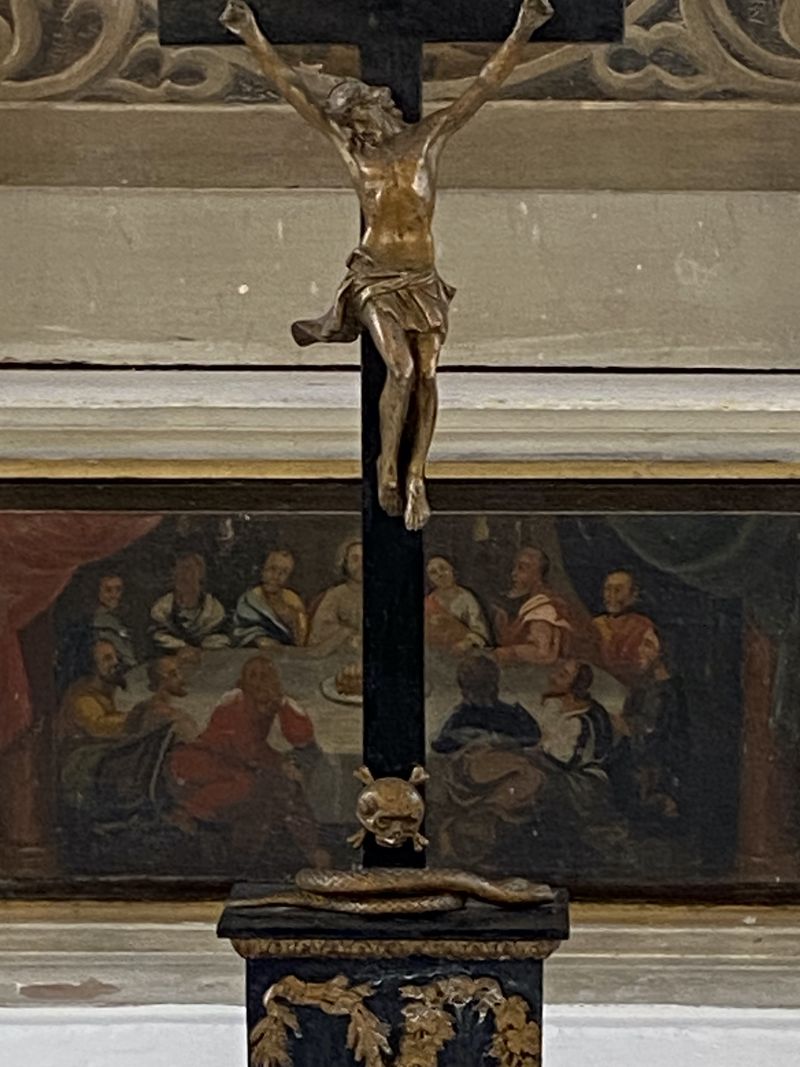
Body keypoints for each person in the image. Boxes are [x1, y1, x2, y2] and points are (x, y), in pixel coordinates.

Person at [220, 0, 555, 530]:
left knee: (427, 373)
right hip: (374, 277)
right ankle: (386, 467)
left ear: (376, 107)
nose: (354, 128)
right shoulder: (358, 157)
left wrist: (524, 28)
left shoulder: (427, 139)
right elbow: (292, 90)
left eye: (356, 117)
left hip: (422, 278)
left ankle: (417, 473)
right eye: (348, 123)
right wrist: (250, 33)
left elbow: (484, 84)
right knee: (400, 368)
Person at [168, 656, 326, 866]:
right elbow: (244, 748)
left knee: (278, 788)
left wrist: (283, 704)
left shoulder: (272, 703)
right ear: (243, 681)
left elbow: (302, 738)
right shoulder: (234, 701)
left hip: (236, 764)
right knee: (253, 787)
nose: (260, 682)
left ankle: (308, 850)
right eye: (253, 676)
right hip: (204, 761)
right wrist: (280, 763)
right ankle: (192, 816)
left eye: (266, 676)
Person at [432, 653, 544, 864]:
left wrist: (495, 741)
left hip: (502, 779)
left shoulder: (478, 715)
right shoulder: (471, 716)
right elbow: (442, 745)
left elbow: (532, 737)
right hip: (480, 781)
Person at [619, 627, 690, 829]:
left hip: (657, 765)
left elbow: (653, 729)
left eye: (648, 645)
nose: (640, 649)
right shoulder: (645, 685)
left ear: (662, 652)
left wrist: (623, 725)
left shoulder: (668, 691)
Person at [493, 547, 574, 665]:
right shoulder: (523, 606)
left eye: (522, 568)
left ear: (537, 577)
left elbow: (543, 653)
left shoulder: (544, 610)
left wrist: (509, 652)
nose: (513, 573)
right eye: (514, 567)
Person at [150, 553, 230, 653]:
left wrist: (204, 649)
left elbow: (220, 637)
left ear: (200, 575)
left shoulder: (213, 607)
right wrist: (182, 647)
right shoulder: (162, 607)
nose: (182, 574)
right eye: (178, 569)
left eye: (188, 569)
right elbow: (158, 636)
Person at [233, 549, 308, 648]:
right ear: (262, 570)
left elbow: (301, 637)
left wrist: (290, 617)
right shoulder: (249, 599)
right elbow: (242, 632)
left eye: (284, 572)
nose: (276, 576)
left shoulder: (293, 600)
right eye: (272, 569)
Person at [593, 569, 655, 686]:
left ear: (633, 594)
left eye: (618, 590)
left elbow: (642, 667)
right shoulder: (596, 624)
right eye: (608, 589)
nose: (611, 595)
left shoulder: (643, 626)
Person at [60, 639, 129, 742]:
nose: (116, 662)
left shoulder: (103, 691)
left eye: (117, 657)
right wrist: (134, 718)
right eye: (107, 659)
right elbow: (98, 727)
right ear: (92, 667)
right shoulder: (81, 698)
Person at [424, 555, 490, 653]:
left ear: (453, 570)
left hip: (463, 652)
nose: (440, 574)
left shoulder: (466, 598)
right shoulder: (429, 601)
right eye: (433, 572)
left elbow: (481, 633)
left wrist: (467, 643)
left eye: (443, 568)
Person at [307, 540, 363, 651]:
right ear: (345, 563)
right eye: (355, 559)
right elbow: (319, 632)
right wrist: (347, 634)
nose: (361, 565)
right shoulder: (335, 595)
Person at [129, 656, 198, 742]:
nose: (181, 679)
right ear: (162, 680)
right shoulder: (172, 716)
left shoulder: (139, 707)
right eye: (174, 675)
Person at [92, 574, 136, 670]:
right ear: (98, 593)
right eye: (108, 590)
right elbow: (128, 659)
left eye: (118, 590)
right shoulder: (101, 622)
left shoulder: (123, 618)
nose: (114, 595)